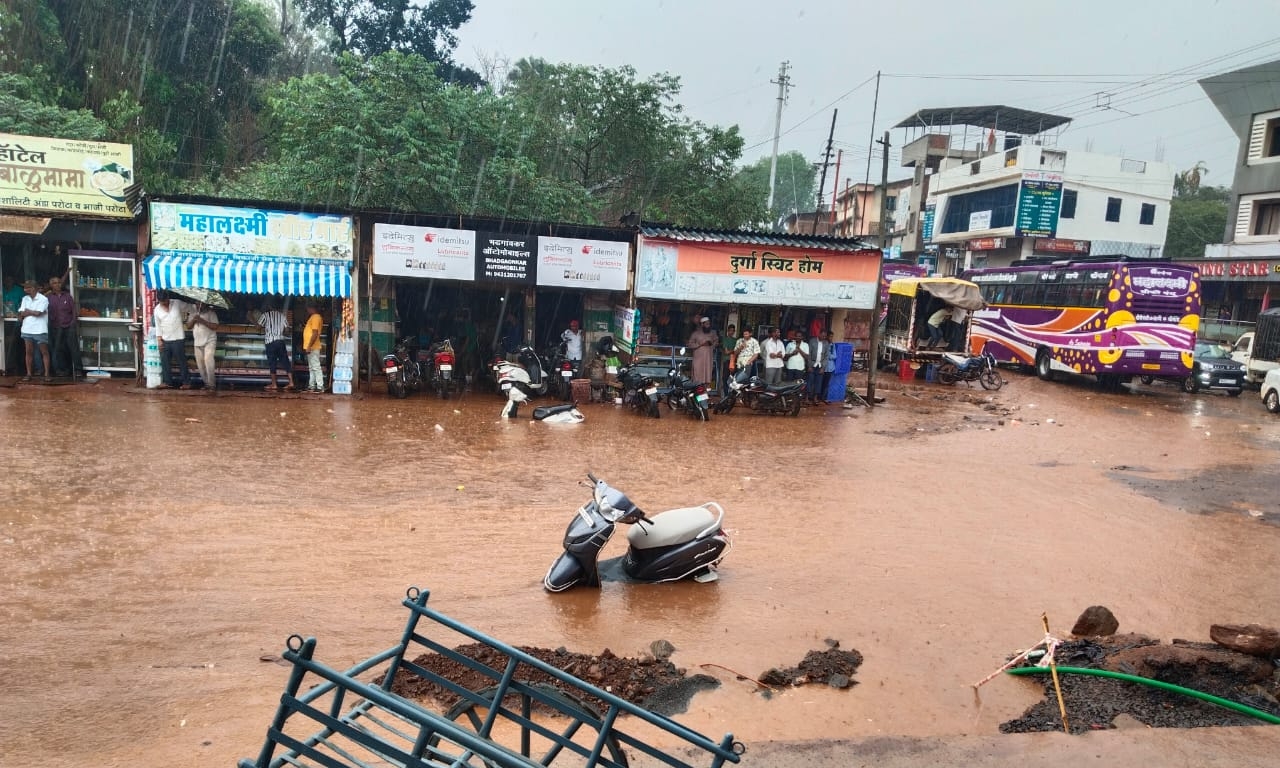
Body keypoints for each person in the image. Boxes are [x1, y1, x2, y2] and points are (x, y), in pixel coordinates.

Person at [16, 280, 52, 382]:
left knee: (44, 352)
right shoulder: (25, 298)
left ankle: (47, 374)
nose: (26, 289)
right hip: (27, 328)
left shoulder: (43, 299)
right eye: (25, 287)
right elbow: (22, 313)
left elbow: (38, 313)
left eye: (28, 287)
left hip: (40, 329)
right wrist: (32, 312)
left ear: (35, 288)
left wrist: (28, 312)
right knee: (28, 352)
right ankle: (29, 374)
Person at [154, 293, 191, 389]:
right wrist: (159, 340)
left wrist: (191, 317)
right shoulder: (157, 310)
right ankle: (167, 382)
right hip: (165, 339)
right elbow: (158, 326)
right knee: (165, 362)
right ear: (159, 301)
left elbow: (190, 308)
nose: (165, 304)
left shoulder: (177, 303)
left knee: (182, 361)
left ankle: (186, 382)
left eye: (166, 301)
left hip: (178, 338)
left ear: (168, 298)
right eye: (162, 302)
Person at [46, 275, 79, 379]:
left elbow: (74, 311)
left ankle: (78, 369)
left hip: (69, 325)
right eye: (55, 283)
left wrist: (73, 323)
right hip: (56, 327)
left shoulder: (67, 296)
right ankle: (64, 370)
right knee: (59, 349)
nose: (57, 285)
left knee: (73, 348)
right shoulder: (48, 298)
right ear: (51, 285)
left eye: (59, 282)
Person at [258, 302, 295, 392]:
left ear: (269, 306)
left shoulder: (265, 315)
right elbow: (287, 329)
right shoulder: (282, 316)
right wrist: (281, 331)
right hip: (280, 341)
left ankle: (274, 384)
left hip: (270, 342)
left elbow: (258, 327)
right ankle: (291, 382)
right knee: (285, 361)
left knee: (272, 362)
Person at [187, 301, 220, 393]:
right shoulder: (193, 312)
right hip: (197, 342)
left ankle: (212, 385)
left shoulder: (211, 313)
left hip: (210, 341)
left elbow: (215, 326)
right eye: (197, 303)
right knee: (200, 365)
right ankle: (206, 384)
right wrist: (194, 319)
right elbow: (188, 326)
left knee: (208, 361)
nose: (199, 305)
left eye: (201, 303)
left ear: (205, 304)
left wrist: (202, 320)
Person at [686, 316, 718, 385]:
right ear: (702, 324)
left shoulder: (712, 333)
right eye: (706, 324)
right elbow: (690, 344)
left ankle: (706, 389)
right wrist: (700, 344)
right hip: (698, 358)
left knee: (707, 374)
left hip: (708, 358)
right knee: (698, 374)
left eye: (709, 324)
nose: (708, 325)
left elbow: (716, 341)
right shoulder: (695, 333)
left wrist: (712, 345)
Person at [302, 303, 324, 392]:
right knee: (312, 367)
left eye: (307, 308)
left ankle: (320, 386)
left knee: (315, 367)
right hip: (311, 346)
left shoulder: (315, 317)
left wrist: (309, 346)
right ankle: (312, 385)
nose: (307, 310)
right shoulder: (314, 317)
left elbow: (315, 333)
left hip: (313, 346)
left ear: (311, 308)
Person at [807, 328, 832, 404]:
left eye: (825, 336)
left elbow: (826, 356)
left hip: (820, 365)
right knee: (810, 381)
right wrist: (809, 366)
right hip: (812, 364)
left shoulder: (826, 343)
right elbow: (809, 354)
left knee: (819, 382)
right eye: (823, 336)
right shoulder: (812, 341)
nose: (824, 337)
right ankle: (807, 398)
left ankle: (815, 398)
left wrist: (823, 367)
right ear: (819, 334)